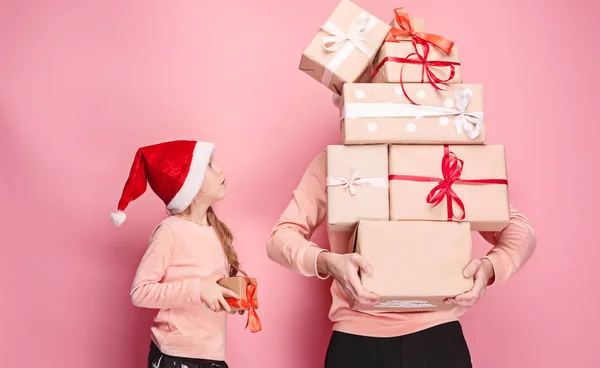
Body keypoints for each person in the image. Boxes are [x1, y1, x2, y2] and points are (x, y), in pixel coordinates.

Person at [266, 102, 537, 368]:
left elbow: (520, 229)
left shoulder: (447, 162)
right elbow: (280, 237)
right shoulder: (336, 162)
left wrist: (489, 267)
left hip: (438, 339)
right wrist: (327, 262)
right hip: (357, 341)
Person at [111, 140, 245, 368]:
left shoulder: (219, 232)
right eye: (210, 166)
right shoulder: (170, 231)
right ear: (189, 186)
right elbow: (140, 292)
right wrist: (198, 289)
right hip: (175, 358)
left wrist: (230, 298)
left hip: (212, 358)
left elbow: (209, 289)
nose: (220, 169)